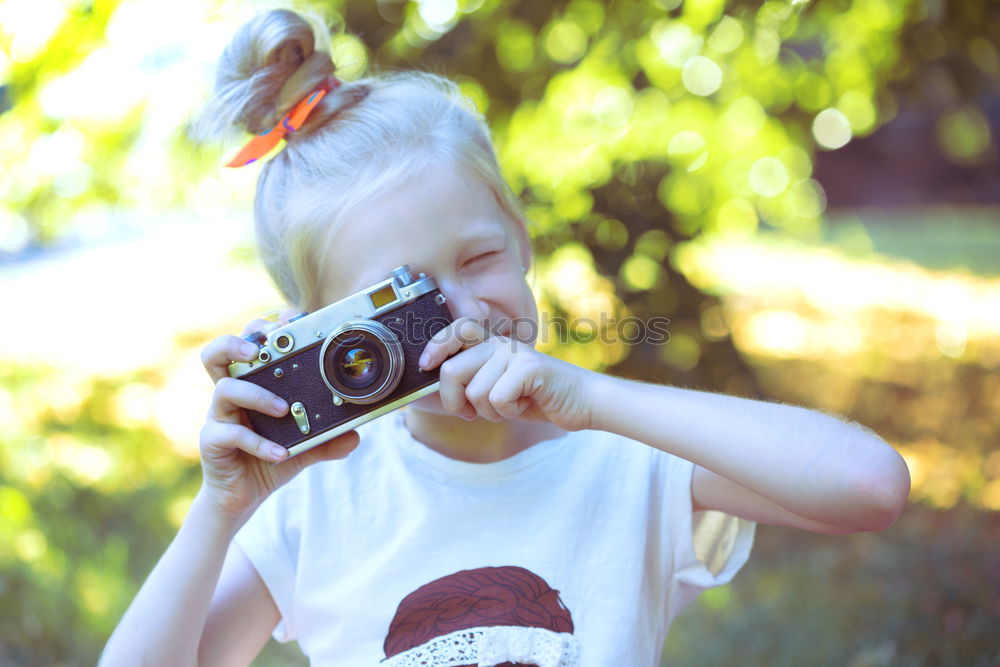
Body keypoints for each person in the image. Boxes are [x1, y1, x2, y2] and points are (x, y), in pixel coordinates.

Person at [99, 8, 911, 667]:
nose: (459, 310)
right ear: (320, 333)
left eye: (479, 258)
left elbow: (872, 488)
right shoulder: (315, 506)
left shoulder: (616, 452)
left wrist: (589, 397)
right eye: (399, 297)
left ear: (521, 240)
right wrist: (219, 508)